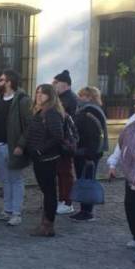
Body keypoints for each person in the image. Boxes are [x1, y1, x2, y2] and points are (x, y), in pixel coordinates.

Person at [107, 91, 135, 264]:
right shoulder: (133, 120)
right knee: (131, 205)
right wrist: (112, 163)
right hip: (132, 170)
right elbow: (122, 143)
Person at [0, 69, 32, 226]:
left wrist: (21, 145)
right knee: (5, 180)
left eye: (1, 80)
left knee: (16, 180)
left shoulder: (23, 100)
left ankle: (16, 213)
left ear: (9, 82)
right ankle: (7, 210)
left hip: (13, 148)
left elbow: (29, 126)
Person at [26, 84, 65, 237]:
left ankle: (48, 225)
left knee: (49, 192)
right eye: (37, 93)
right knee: (46, 192)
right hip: (40, 158)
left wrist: (40, 149)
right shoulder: (41, 111)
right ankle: (45, 224)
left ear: (50, 96)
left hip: (48, 158)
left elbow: (57, 136)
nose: (39, 96)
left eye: (43, 93)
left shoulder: (51, 113)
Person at [70, 86, 108, 222]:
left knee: (87, 180)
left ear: (89, 97)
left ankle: (87, 212)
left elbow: (94, 136)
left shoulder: (91, 111)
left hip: (88, 153)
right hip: (83, 152)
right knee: (83, 179)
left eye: (82, 96)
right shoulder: (85, 110)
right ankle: (84, 209)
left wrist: (89, 156)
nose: (79, 98)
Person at [53, 70, 78, 215]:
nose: (54, 85)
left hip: (66, 141)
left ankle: (68, 202)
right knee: (60, 172)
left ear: (65, 84)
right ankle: (62, 199)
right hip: (61, 140)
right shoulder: (61, 97)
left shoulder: (69, 99)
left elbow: (66, 119)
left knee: (66, 172)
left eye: (56, 83)